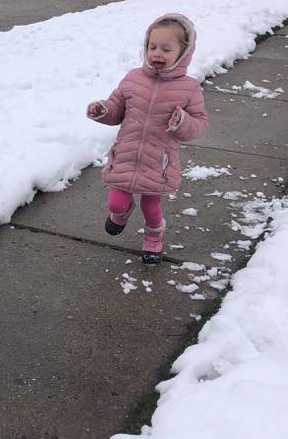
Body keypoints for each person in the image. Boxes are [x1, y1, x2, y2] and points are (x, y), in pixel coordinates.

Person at [86, 14, 208, 264]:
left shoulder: (189, 88)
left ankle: (154, 238)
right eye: (152, 47)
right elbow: (117, 107)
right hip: (127, 156)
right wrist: (103, 111)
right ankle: (121, 214)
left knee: (151, 210)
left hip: (157, 163)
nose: (157, 54)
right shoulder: (133, 78)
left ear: (183, 52)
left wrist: (183, 122)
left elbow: (199, 124)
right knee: (116, 202)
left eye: (166, 49)